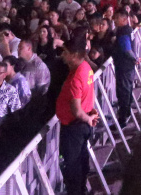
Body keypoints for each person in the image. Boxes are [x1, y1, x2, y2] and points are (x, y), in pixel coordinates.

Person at [56, 36, 100, 195]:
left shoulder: (75, 78)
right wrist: (90, 112)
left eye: (65, 52)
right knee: (81, 162)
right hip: (82, 125)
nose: (62, 55)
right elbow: (89, 94)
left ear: (74, 55)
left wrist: (88, 118)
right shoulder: (86, 67)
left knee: (72, 166)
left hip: (74, 128)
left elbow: (76, 110)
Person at [111, 10, 139, 126]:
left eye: (116, 18)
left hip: (123, 66)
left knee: (123, 92)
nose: (114, 20)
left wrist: (134, 59)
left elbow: (127, 49)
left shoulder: (122, 33)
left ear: (124, 19)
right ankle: (126, 113)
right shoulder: (129, 30)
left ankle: (123, 118)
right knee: (128, 89)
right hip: (128, 66)